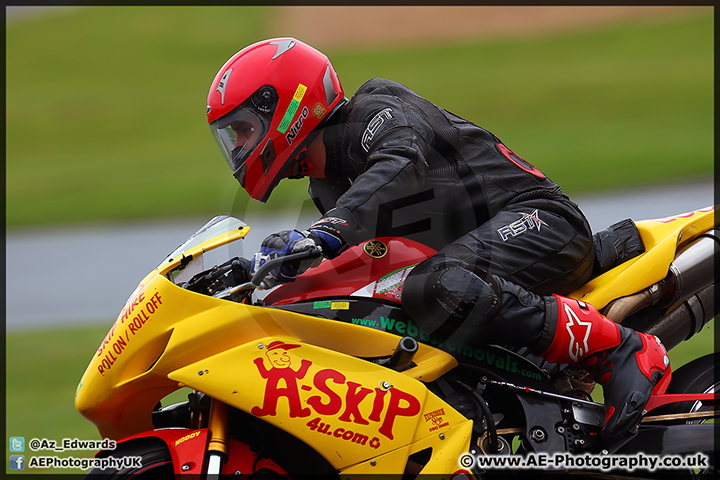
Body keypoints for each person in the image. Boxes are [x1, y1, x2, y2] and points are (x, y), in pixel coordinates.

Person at [205, 38, 670, 444]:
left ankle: (619, 348)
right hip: (475, 266)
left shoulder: (378, 110)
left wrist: (326, 232)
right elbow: (368, 261)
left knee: (432, 286)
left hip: (543, 222)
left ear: (285, 105)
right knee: (375, 313)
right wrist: (273, 278)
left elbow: (400, 162)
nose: (240, 147)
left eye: (244, 129)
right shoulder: (327, 187)